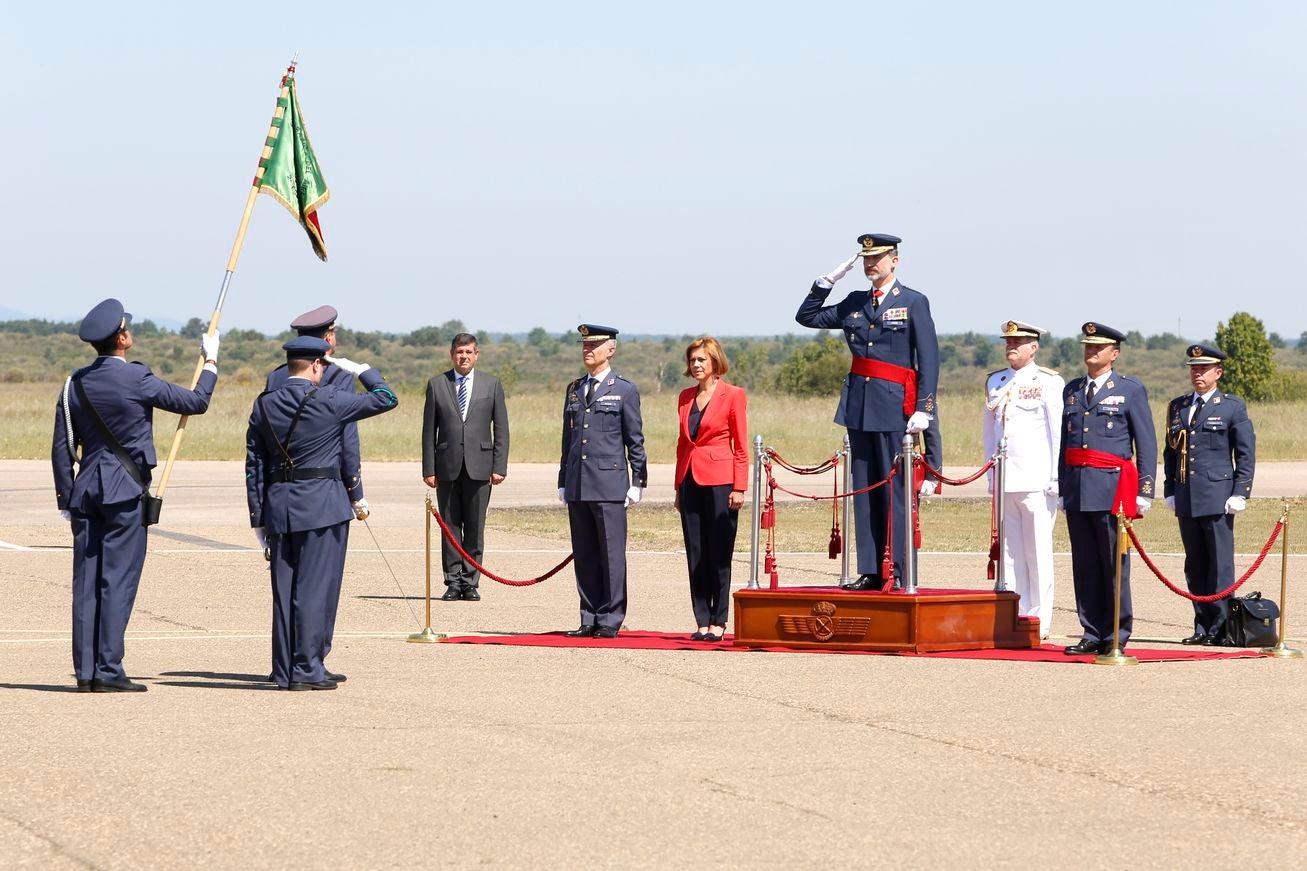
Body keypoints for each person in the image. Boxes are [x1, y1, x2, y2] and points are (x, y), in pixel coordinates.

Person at [52, 298, 220, 692]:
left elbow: (62, 446)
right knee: (117, 582)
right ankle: (109, 670)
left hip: (85, 492)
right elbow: (196, 402)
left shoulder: (73, 384)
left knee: (86, 583)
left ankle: (87, 671)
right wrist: (210, 363)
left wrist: (65, 497)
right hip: (125, 491)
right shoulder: (138, 379)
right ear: (123, 338)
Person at [246, 337, 399, 690]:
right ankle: (308, 668)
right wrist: (363, 371)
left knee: (284, 592)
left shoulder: (264, 404)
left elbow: (253, 464)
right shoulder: (330, 399)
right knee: (314, 590)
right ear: (317, 364)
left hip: (279, 506)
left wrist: (258, 517)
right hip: (322, 506)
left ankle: (284, 669)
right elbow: (387, 399)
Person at [796, 233, 939, 590]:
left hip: (896, 407)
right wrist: (826, 283)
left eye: (878, 258)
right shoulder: (855, 301)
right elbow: (807, 317)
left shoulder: (913, 301)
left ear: (895, 260)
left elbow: (930, 359)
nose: (871, 264)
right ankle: (873, 569)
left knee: (896, 492)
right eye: (866, 259)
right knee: (864, 490)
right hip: (859, 407)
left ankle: (901, 569)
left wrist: (925, 408)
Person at [262, 304, 365, 678]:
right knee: (320, 586)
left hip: (280, 497)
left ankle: (285, 665)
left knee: (286, 586)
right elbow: (346, 442)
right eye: (332, 333)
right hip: (324, 494)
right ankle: (313, 659)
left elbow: (260, 449)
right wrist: (356, 491)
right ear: (324, 341)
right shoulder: (334, 379)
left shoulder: (275, 380)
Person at [1058, 322, 1157, 655]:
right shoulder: (1071, 390)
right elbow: (1064, 443)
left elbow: (1146, 442)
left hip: (1112, 490)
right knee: (1084, 565)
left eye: (1098, 347)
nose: (1091, 351)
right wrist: (1062, 485)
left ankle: (1116, 633)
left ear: (1114, 354)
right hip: (1078, 488)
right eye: (1087, 345)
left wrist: (1145, 489)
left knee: (1114, 565)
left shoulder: (1129, 389)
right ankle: (1091, 631)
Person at [558, 324, 647, 638]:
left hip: (609, 484)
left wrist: (638, 481)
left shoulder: (623, 389)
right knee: (584, 554)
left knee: (610, 554)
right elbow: (568, 440)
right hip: (579, 483)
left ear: (610, 349)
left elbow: (634, 439)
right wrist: (563, 480)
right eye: (584, 346)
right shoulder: (574, 388)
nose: (587, 351)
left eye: (594, 346)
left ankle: (610, 617)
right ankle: (589, 615)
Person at [1162, 344, 1255, 645]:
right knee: (1195, 564)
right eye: (1193, 368)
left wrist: (1240, 491)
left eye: (1203, 369)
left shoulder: (1231, 407)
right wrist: (1169, 488)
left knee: (1220, 565)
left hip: (1217, 496)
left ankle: (1222, 627)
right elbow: (1171, 452)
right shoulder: (1178, 406)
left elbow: (1245, 453)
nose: (1197, 373)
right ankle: (1202, 626)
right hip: (1187, 496)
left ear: (1218, 372)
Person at [982, 320, 1065, 641]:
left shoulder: (1048, 381)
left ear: (1034, 347)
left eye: (1019, 342)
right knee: (1011, 552)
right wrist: (990, 472)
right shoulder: (996, 381)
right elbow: (990, 433)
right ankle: (1015, 613)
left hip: (1036, 479)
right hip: (1006, 479)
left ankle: (1040, 619)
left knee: (1037, 552)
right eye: (1008, 342)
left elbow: (1056, 432)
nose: (1011, 347)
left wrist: (1056, 477)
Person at [422, 332, 510, 602]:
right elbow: (428, 431)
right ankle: (452, 581)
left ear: (476, 355)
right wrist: (429, 468)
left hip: (480, 467)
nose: (464, 357)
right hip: (446, 466)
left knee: (474, 526)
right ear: (452, 355)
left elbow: (502, 429)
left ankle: (471, 581)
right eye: (459, 352)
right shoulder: (437, 384)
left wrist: (499, 465)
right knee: (449, 526)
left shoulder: (491, 385)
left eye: (469, 352)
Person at [674, 337, 748, 642]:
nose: (696, 365)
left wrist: (739, 487)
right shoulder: (684, 397)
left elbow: (741, 446)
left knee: (719, 553)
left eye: (702, 360)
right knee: (696, 552)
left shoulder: (733, 395)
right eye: (692, 360)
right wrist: (678, 486)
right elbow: (682, 444)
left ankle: (719, 620)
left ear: (715, 362)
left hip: (721, 480)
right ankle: (701, 618)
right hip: (690, 480)